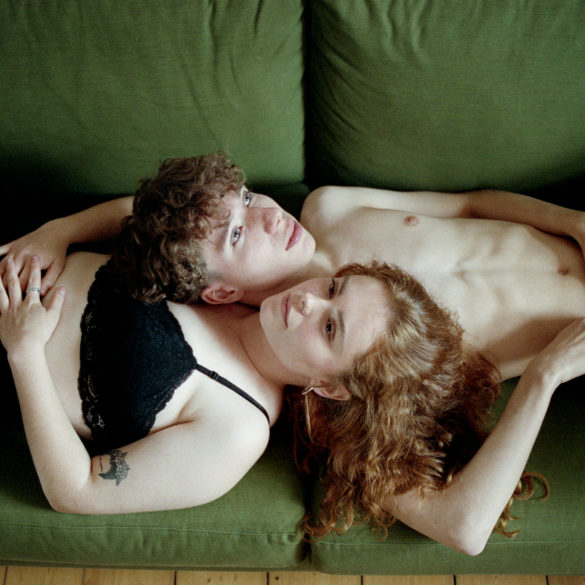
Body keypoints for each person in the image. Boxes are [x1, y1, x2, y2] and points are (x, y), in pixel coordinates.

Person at [2, 152, 585, 553]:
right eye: (333, 287)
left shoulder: (245, 426)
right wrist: (60, 230)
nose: (306, 301)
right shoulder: (261, 267)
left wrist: (23, 354)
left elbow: (78, 489)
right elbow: (180, 219)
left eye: (330, 327)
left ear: (331, 387)